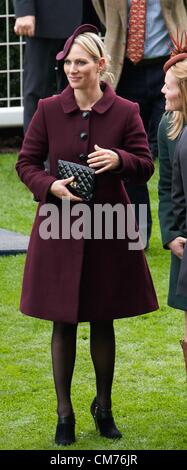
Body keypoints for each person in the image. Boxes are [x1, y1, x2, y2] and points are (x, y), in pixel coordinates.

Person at [16, 24, 158, 446]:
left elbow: (146, 164)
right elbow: (26, 163)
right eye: (67, 63)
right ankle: (65, 416)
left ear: (100, 65)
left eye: (80, 63)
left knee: (103, 318)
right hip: (59, 227)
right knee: (62, 321)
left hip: (109, 228)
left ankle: (104, 406)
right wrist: (50, 187)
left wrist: (119, 159)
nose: (71, 70)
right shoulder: (46, 108)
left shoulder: (126, 110)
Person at [92, 0, 187, 248]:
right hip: (125, 70)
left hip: (168, 67)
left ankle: (178, 229)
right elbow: (102, 9)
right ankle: (137, 231)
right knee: (131, 154)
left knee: (177, 147)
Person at [12, 0, 101, 133]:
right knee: (37, 90)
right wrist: (24, 10)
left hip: (87, 16)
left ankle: (74, 147)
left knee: (80, 90)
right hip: (44, 19)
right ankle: (36, 150)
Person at [158, 36, 187, 376]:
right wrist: (171, 235)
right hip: (183, 244)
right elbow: (165, 187)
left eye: (169, 87)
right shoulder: (168, 125)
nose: (162, 93)